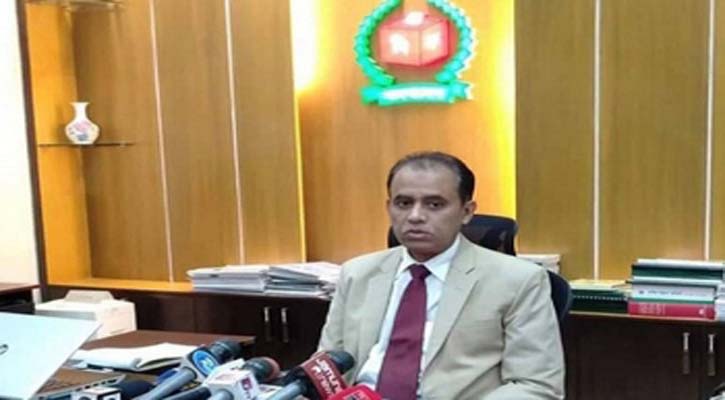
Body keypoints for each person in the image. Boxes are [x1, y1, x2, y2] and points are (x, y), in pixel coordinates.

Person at [318, 151, 564, 399]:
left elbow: (536, 386)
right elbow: (323, 370)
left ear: (467, 211)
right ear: (388, 207)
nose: (415, 216)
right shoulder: (357, 274)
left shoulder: (518, 280)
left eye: (434, 204)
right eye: (403, 203)